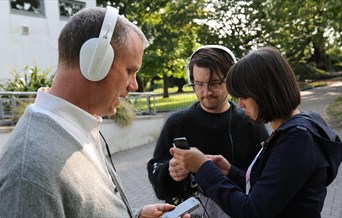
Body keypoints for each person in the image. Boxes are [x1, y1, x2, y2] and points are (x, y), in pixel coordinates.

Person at [0, 6, 189, 218]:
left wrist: (135, 216)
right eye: (130, 71)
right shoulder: (30, 171)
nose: (134, 85)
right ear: (95, 62)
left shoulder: (78, 126)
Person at [171, 46, 342, 218]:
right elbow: (268, 190)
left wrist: (203, 168)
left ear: (265, 93)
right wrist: (230, 172)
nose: (240, 105)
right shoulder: (294, 130)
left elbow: (252, 211)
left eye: (244, 97)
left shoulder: (297, 140)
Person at [147, 45, 270, 217]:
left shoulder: (251, 124)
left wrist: (230, 172)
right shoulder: (176, 123)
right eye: (199, 84)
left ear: (230, 80)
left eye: (214, 83)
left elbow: (263, 182)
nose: (206, 92)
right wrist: (169, 171)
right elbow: (157, 172)